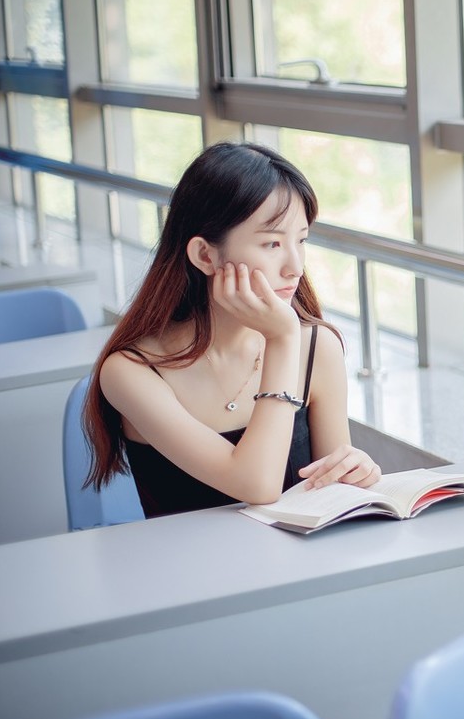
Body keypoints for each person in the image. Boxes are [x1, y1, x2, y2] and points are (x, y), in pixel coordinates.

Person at [83, 141, 381, 518]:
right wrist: (281, 339)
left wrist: (354, 473)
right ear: (206, 256)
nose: (295, 267)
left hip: (303, 570)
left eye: (301, 240)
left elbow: (328, 498)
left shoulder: (317, 347)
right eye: (272, 243)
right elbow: (256, 484)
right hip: (190, 573)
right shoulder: (131, 372)